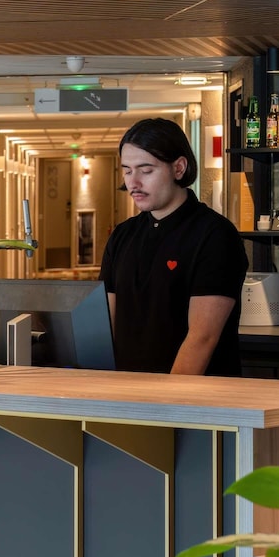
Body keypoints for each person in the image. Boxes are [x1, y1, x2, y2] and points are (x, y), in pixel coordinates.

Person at [100, 117, 248, 376]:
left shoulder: (215, 235)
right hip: (127, 388)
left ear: (179, 168)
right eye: (127, 170)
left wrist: (166, 397)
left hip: (194, 394)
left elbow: (202, 338)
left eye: (146, 170)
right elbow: (107, 324)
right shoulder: (122, 235)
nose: (133, 183)